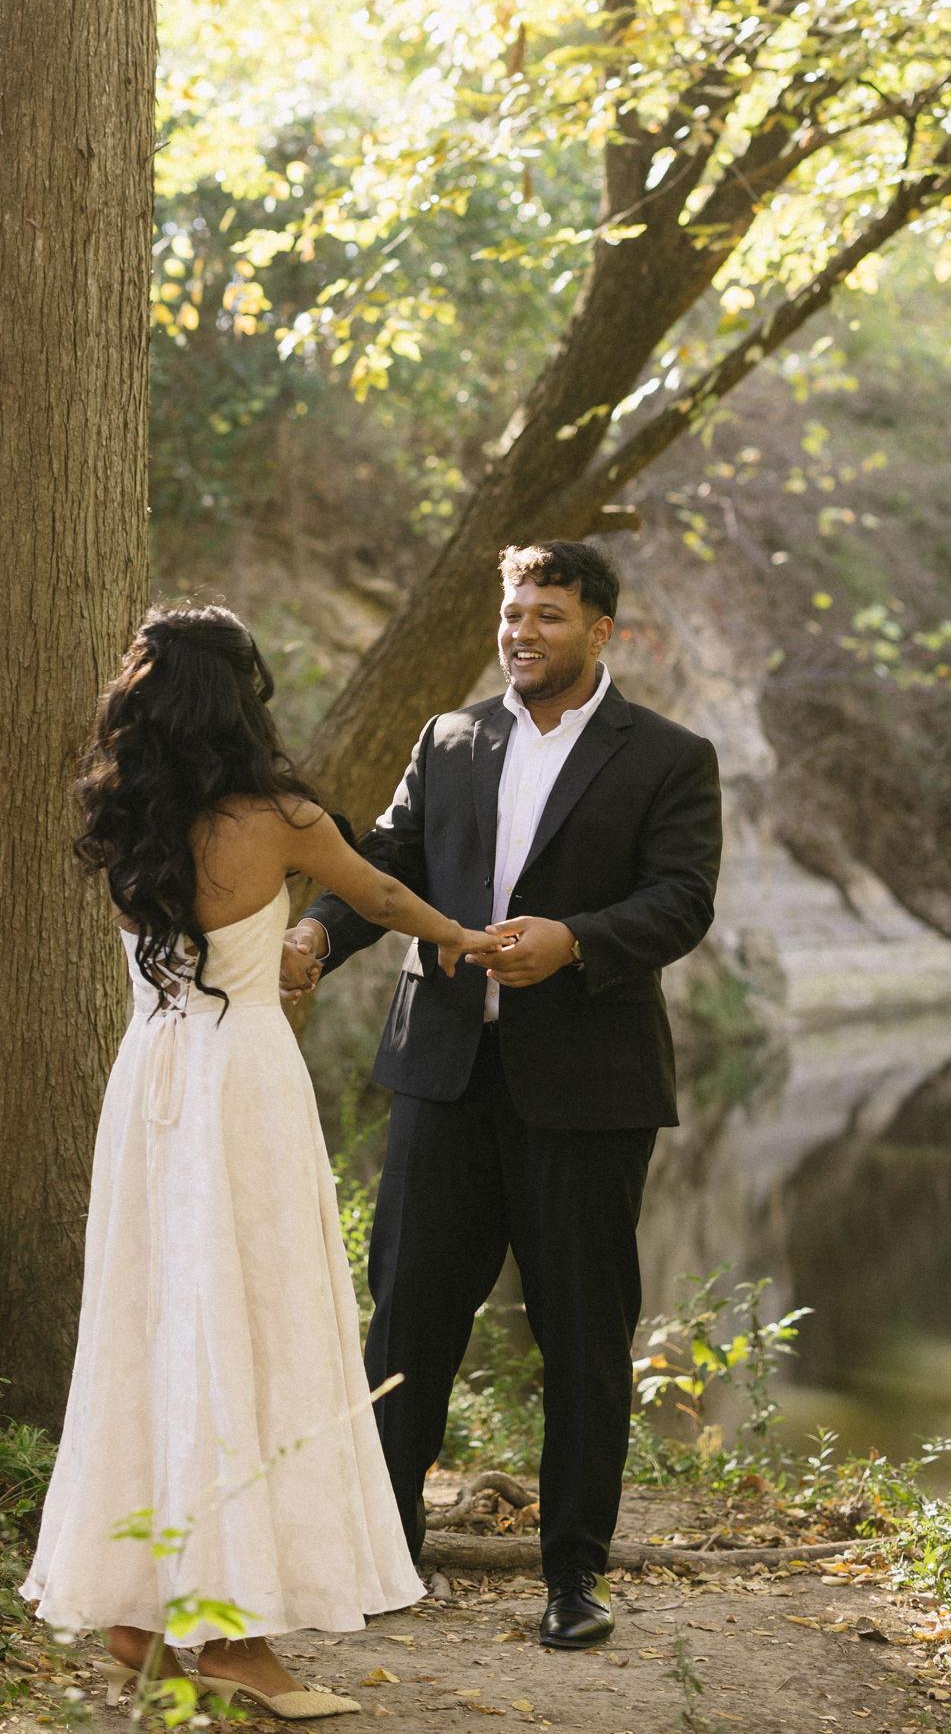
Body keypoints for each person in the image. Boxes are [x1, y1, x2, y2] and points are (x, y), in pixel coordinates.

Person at [22, 604, 495, 1720]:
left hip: (151, 1077)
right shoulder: (280, 818)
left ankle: (141, 1611)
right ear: (239, 698)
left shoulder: (123, 811)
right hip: (240, 1082)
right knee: (252, 1327)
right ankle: (231, 1633)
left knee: (156, 1329)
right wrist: (461, 938)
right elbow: (378, 895)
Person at [281, 540, 721, 1652]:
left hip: (589, 1094)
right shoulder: (449, 737)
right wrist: (316, 934)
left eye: (548, 615)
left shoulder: (669, 756)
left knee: (583, 1334)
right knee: (406, 1320)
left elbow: (681, 899)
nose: (523, 631)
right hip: (442, 1076)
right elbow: (385, 862)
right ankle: (383, 1553)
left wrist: (574, 938)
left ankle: (573, 1574)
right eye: (514, 613)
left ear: (599, 631)